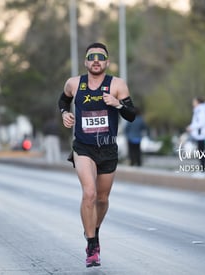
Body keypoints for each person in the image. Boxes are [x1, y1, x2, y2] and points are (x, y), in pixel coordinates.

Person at [58, 42, 136, 268]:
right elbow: (63, 100)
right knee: (89, 194)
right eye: (91, 56)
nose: (95, 60)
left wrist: (118, 104)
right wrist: (65, 113)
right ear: (85, 61)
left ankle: (94, 229)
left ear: (106, 62)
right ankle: (92, 245)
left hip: (108, 148)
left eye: (100, 57)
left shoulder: (117, 85)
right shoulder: (74, 83)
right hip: (83, 147)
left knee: (102, 199)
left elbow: (132, 115)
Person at [186, 97, 205, 171]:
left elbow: (201, 122)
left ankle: (203, 168)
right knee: (200, 151)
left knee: (201, 151)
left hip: (201, 134)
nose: (193, 103)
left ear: (198, 102)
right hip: (199, 134)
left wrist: (192, 127)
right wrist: (191, 127)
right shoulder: (198, 110)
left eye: (194, 102)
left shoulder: (201, 110)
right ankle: (202, 167)